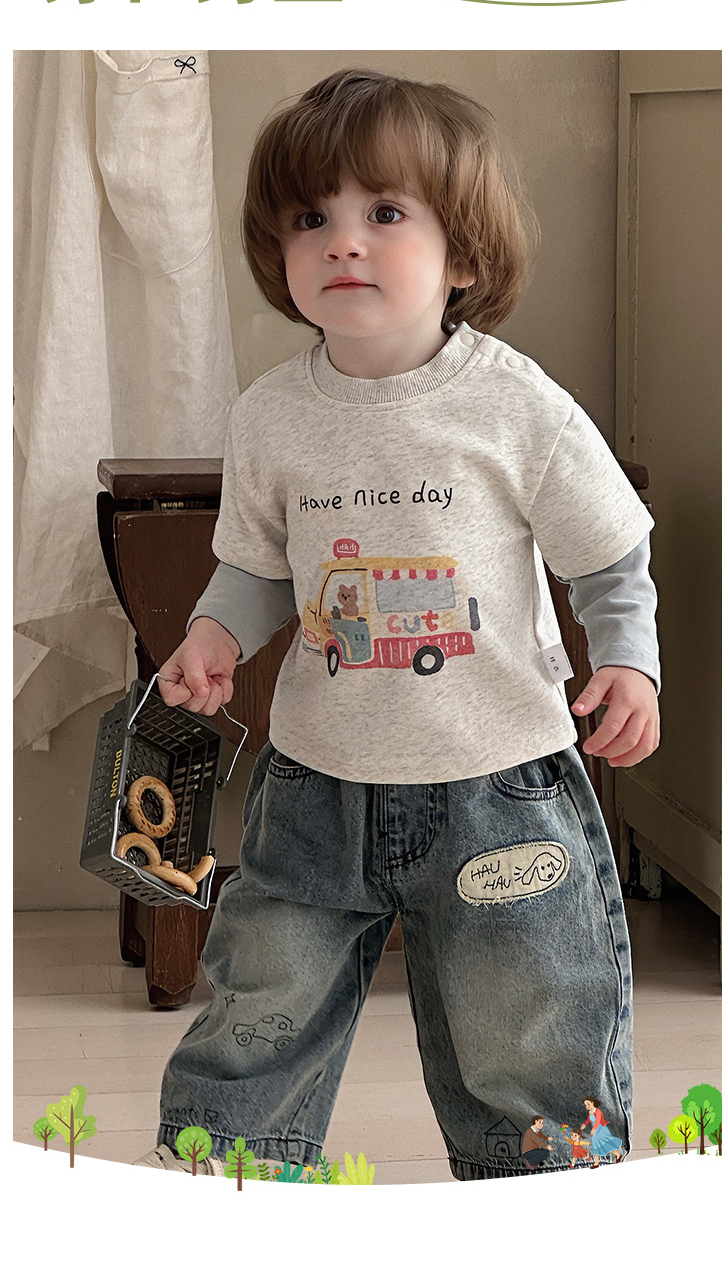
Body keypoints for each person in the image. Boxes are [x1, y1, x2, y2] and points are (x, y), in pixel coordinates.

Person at [135, 68, 660, 1181]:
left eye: (384, 211)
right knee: (258, 1012)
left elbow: (609, 551)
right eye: (309, 218)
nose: (342, 241)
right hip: (314, 786)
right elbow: (258, 566)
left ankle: (554, 1204)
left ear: (462, 252)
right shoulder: (270, 416)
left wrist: (629, 661)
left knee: (526, 1033)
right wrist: (215, 633)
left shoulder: (517, 405)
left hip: (499, 788)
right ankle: (224, 1184)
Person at [582, 1098, 625, 1166]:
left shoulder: (598, 1111)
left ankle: (597, 1162)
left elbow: (598, 1120)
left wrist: (594, 1129)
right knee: (599, 1144)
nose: (587, 1106)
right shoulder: (590, 1112)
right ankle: (598, 1162)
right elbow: (588, 1120)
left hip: (601, 1129)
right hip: (596, 1129)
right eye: (585, 1105)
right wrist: (584, 1124)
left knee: (598, 1143)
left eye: (588, 1104)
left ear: (592, 1103)